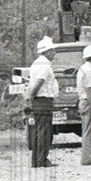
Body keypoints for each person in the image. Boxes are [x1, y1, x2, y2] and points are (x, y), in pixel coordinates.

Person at [26, 36, 59, 168]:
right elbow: (38, 83)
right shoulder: (44, 64)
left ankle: (36, 160)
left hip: (39, 100)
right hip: (43, 100)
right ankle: (42, 160)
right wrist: (32, 97)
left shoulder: (37, 63)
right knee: (44, 131)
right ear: (47, 52)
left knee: (39, 131)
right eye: (52, 51)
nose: (54, 53)